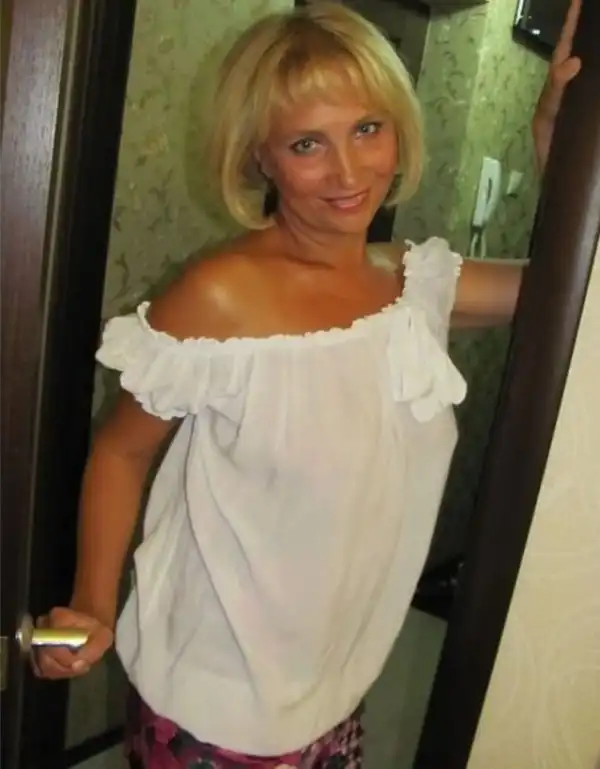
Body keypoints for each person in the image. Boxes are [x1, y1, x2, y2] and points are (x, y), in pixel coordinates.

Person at [36, 1, 582, 767]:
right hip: (215, 697)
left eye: (367, 128)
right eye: (306, 143)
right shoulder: (220, 296)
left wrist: (560, 150)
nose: (348, 172)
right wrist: (93, 601)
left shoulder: (415, 285)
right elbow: (122, 451)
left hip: (335, 683)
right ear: (260, 156)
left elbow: (572, 286)